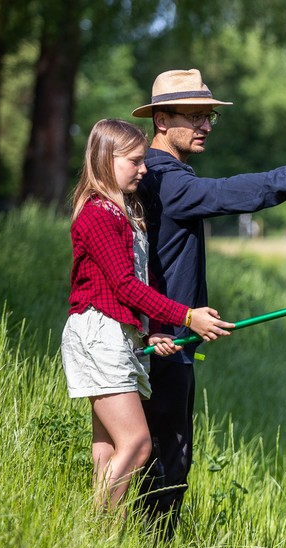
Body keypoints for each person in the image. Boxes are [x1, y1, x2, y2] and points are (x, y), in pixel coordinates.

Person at [131, 69, 286, 533]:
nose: (207, 125)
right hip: (164, 340)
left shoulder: (154, 175)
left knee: (158, 454)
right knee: (166, 461)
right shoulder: (162, 179)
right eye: (195, 116)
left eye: (209, 116)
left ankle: (137, 546)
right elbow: (224, 193)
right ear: (161, 119)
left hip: (169, 333)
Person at [60, 118, 235, 512]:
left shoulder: (123, 211)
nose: (144, 169)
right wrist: (187, 317)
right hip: (98, 335)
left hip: (120, 334)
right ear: (106, 160)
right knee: (137, 444)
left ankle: (104, 539)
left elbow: (146, 275)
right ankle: (96, 531)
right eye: (135, 162)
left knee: (108, 452)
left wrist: (155, 329)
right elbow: (125, 286)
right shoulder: (97, 214)